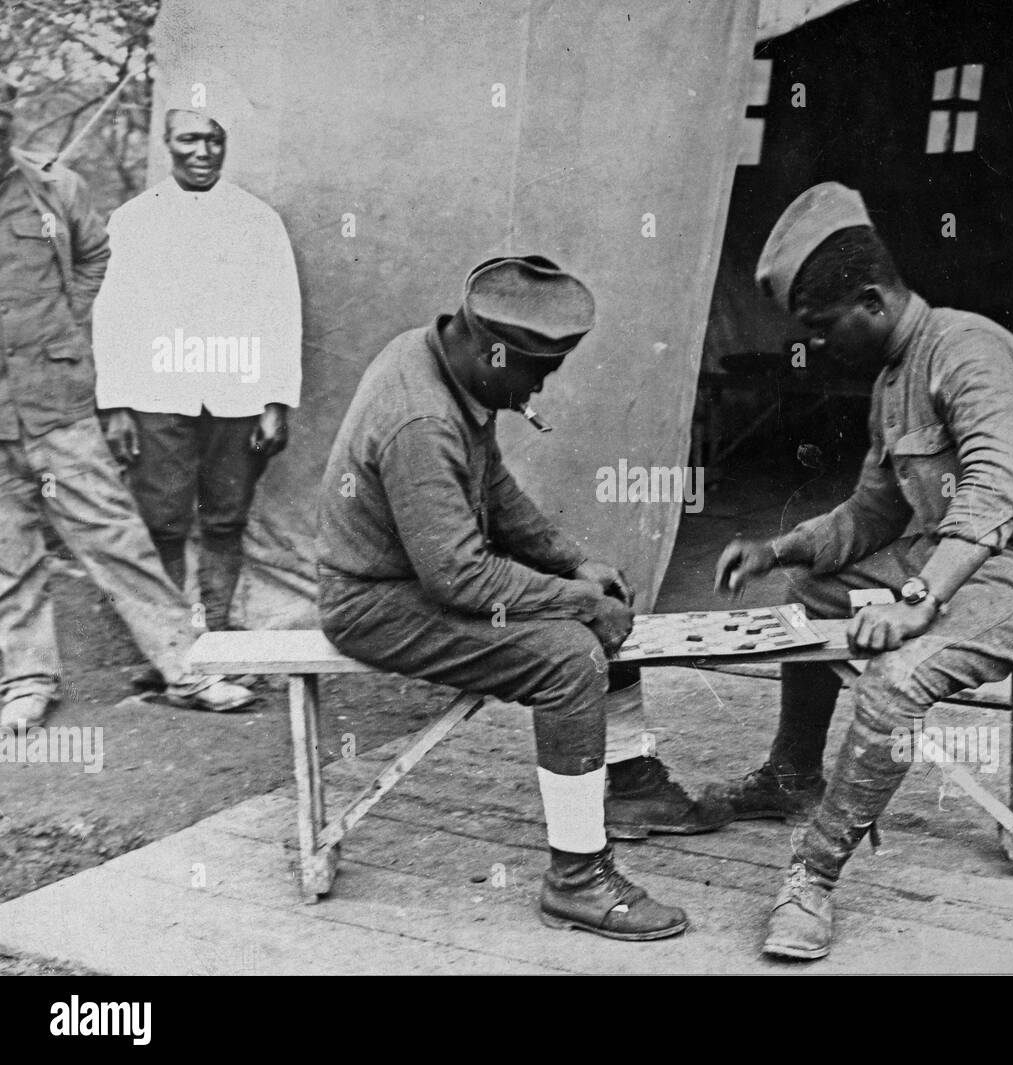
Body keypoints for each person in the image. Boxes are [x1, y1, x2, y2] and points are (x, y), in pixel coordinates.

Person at [713, 183, 1013, 960]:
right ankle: (793, 773)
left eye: (822, 328)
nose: (817, 346)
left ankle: (813, 875)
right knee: (813, 592)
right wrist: (779, 548)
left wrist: (918, 599)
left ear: (871, 299)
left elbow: (997, 489)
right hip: (958, 556)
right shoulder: (892, 382)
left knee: (899, 675)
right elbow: (874, 511)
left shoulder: (967, 349)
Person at [316, 255, 730, 941]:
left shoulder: (440, 358)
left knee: (598, 597)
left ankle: (630, 785)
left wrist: (575, 565)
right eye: (539, 372)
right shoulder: (421, 418)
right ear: (493, 351)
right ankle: (577, 877)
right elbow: (458, 576)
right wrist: (578, 601)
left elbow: (494, 491)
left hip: (413, 579)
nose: (541, 386)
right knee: (570, 656)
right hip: (373, 602)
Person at [0, 89, 254, 728]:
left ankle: (186, 667)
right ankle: (26, 680)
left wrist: (66, 323)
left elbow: (95, 254)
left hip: (55, 402)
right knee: (8, 551)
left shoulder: (56, 188)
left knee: (116, 537)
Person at [94, 81, 301, 635]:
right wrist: (115, 404)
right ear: (167, 142)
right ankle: (171, 643)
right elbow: (112, 316)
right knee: (162, 519)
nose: (203, 152)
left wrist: (275, 401)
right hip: (157, 390)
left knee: (226, 518)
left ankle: (219, 632)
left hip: (236, 391)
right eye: (189, 139)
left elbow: (281, 311)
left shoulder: (257, 220)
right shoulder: (133, 219)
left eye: (214, 140)